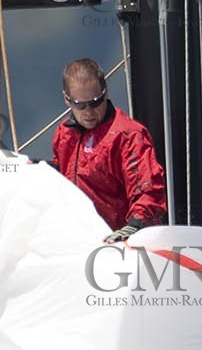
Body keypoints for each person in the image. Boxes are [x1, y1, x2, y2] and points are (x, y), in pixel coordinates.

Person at [50, 58, 168, 243]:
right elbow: (63, 169)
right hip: (79, 240)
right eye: (80, 104)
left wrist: (134, 226)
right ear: (67, 99)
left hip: (120, 242)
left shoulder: (127, 135)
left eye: (96, 102)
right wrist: (41, 168)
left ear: (105, 93)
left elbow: (147, 189)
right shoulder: (64, 134)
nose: (89, 111)